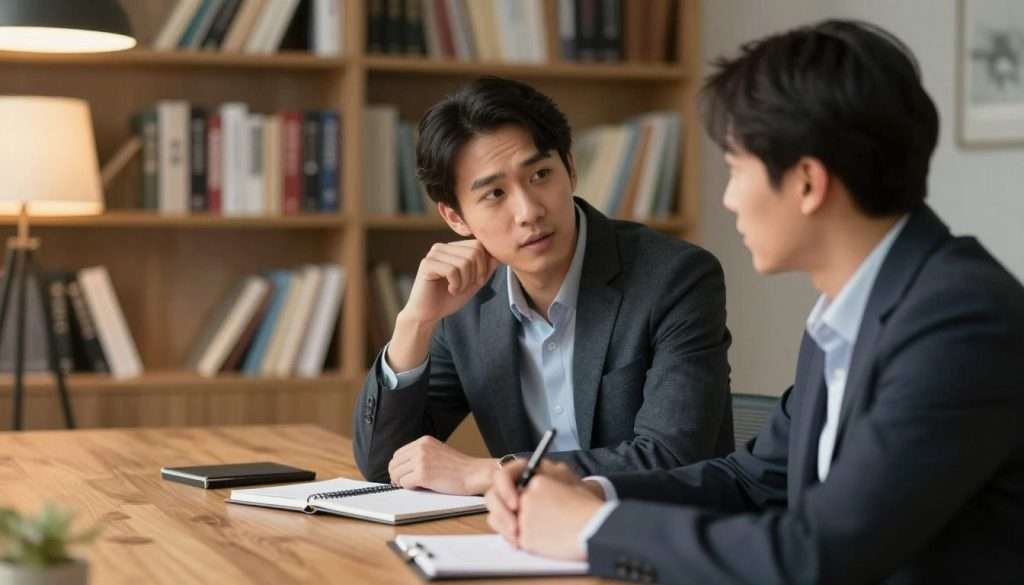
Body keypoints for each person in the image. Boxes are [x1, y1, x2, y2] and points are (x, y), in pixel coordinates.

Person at [486, 20, 1024, 584]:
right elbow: (749, 479)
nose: (728, 197)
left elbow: (816, 555)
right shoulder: (851, 313)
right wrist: (590, 490)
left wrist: (591, 530)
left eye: (736, 168)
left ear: (807, 183)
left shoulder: (960, 322)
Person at [352, 76, 734, 496]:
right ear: (456, 218)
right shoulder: (466, 300)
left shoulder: (676, 278)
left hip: (656, 537)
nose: (529, 211)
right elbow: (383, 464)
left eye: (540, 175)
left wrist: (494, 473)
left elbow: (672, 457)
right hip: (529, 543)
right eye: (495, 193)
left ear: (570, 168)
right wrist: (415, 323)